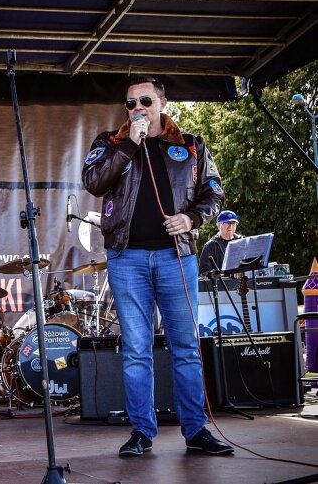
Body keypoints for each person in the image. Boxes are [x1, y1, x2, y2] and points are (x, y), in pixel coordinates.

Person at [82, 76, 234, 457]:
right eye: (131, 103)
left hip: (176, 257)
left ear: (162, 103)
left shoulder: (191, 145)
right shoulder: (110, 143)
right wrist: (129, 146)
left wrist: (193, 220)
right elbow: (94, 182)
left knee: (184, 346)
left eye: (145, 101)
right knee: (136, 348)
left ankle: (196, 430)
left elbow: (213, 192)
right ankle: (141, 432)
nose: (138, 109)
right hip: (127, 258)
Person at [199, 210, 242, 276]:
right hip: (220, 284)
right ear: (218, 225)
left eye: (233, 223)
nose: (230, 226)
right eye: (226, 223)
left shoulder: (242, 242)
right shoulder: (210, 246)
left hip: (241, 283)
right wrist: (217, 275)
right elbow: (204, 272)